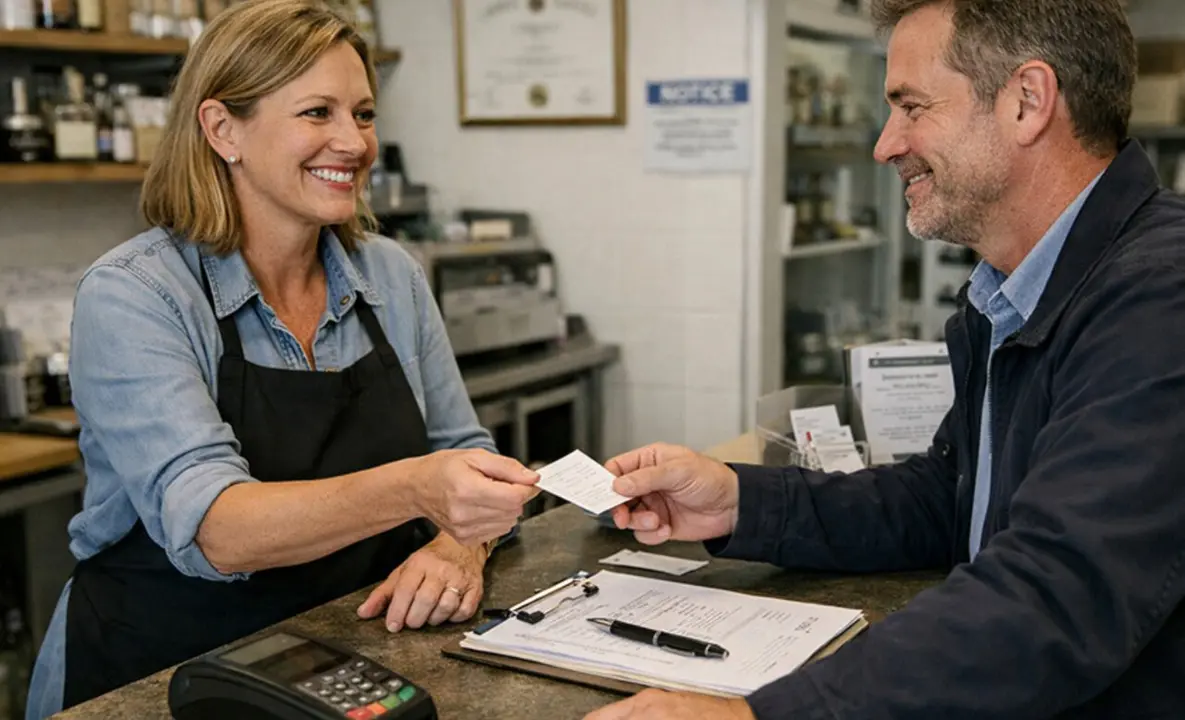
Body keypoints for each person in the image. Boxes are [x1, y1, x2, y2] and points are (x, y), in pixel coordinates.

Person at [585, 0, 1185, 718]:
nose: (884, 144)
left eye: (910, 106)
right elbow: (947, 496)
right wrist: (740, 500)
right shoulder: (1008, 292)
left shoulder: (1160, 295)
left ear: (1027, 101)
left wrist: (761, 716)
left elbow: (1059, 594)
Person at [24, 1, 541, 716]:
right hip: (159, 670)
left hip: (347, 659)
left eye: (361, 114)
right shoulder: (137, 295)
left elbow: (464, 452)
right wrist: (419, 487)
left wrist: (461, 545)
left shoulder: (390, 274)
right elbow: (219, 529)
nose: (353, 143)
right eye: (316, 113)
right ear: (222, 129)